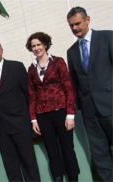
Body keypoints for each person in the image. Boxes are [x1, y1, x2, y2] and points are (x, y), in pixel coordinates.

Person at [0, 40, 40, 181]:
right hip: (1, 129)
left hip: (20, 125)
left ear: (2, 50)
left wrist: (33, 119)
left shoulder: (16, 67)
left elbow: (28, 95)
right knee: (11, 167)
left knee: (29, 164)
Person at [25, 32, 80, 182]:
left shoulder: (58, 62)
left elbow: (68, 88)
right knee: (52, 152)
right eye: (33, 46)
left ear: (45, 44)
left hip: (61, 113)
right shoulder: (31, 69)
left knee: (68, 150)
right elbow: (32, 96)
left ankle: (74, 179)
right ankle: (58, 179)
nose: (36, 48)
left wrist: (70, 114)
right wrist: (33, 119)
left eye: (38, 44)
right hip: (42, 116)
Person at [66, 7, 113, 181]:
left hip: (110, 105)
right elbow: (75, 83)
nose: (75, 28)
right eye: (71, 25)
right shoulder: (71, 52)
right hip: (90, 113)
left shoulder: (108, 37)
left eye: (77, 23)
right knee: (100, 155)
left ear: (88, 20)